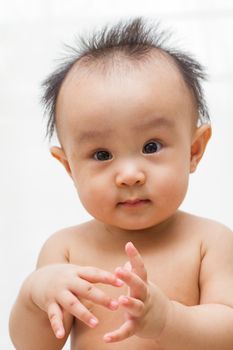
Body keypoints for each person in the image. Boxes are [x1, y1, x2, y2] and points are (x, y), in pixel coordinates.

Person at [9, 17, 233, 350]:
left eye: (151, 147)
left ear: (194, 150)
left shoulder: (209, 242)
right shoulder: (65, 251)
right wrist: (33, 297)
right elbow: (35, 346)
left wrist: (167, 321)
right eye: (101, 154)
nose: (129, 175)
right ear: (69, 167)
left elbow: (228, 330)